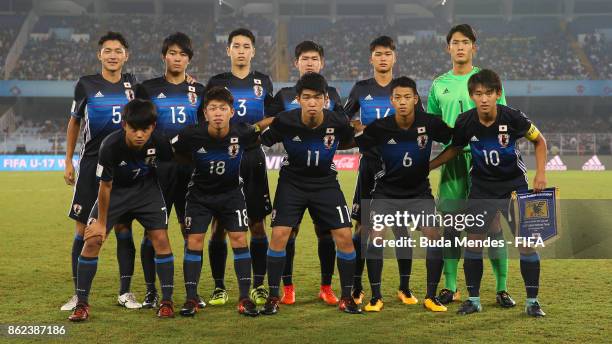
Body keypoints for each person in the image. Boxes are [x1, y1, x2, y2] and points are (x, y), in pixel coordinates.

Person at [430, 69, 547, 317]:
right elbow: (455, 149)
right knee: (474, 242)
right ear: (472, 96)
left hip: (514, 187)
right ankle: (473, 300)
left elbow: (540, 141)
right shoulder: (465, 121)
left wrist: (540, 175)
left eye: (489, 93)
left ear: (498, 94)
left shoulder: (513, 117)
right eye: (478, 94)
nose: (484, 98)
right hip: (482, 187)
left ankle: (532, 302)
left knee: (526, 244)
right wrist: (428, 166)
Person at [259, 73, 361, 315]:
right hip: (292, 183)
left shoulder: (338, 121)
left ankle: (346, 297)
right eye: (307, 98)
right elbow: (262, 140)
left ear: (326, 99)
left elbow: (347, 141)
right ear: (299, 99)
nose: (312, 102)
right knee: (280, 234)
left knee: (345, 236)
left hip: (326, 182)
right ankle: (273, 296)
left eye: (317, 97)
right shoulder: (285, 120)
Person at [427, 24, 514, 306]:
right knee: (451, 227)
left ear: (474, 46)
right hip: (453, 162)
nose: (460, 46)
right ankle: (451, 288)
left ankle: (501, 289)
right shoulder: (439, 85)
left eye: (466, 42)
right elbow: (431, 126)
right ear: (448, 47)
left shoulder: (487, 82)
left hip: (484, 163)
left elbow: (504, 124)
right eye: (455, 42)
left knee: (492, 227)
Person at [68, 99, 176, 321]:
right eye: (134, 129)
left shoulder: (161, 142)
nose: (139, 135)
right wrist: (101, 223)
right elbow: (105, 186)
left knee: (161, 239)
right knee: (93, 240)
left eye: (145, 129)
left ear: (153, 127)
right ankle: (82, 304)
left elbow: (167, 172)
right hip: (115, 193)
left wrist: (160, 205)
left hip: (147, 191)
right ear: (124, 125)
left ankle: (166, 301)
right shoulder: (110, 146)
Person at [171, 86, 272, 317]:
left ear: (232, 112)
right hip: (199, 196)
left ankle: (244, 298)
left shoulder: (244, 132)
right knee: (194, 241)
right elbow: (172, 149)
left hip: (232, 195)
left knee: (239, 238)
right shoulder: (191, 134)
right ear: (205, 113)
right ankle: (191, 298)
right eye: (213, 108)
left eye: (223, 108)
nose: (218, 113)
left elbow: (259, 130)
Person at [354, 77, 452, 312]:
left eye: (407, 97)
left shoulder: (429, 123)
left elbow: (455, 142)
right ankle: (376, 296)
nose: (402, 102)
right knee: (375, 237)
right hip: (386, 194)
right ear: (391, 100)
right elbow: (359, 144)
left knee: (434, 236)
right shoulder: (380, 126)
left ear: (416, 99)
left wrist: (432, 164)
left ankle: (431, 296)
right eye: (397, 97)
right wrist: (352, 128)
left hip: (419, 193)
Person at [62, 31, 140, 311]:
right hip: (90, 165)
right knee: (83, 230)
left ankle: (125, 292)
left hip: (123, 166)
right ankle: (78, 294)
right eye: (108, 50)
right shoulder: (85, 85)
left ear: (125, 56)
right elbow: (74, 122)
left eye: (118, 51)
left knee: (123, 228)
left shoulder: (133, 85)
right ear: (99, 55)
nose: (113, 55)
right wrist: (68, 160)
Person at [267, 40, 345, 305]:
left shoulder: (333, 94)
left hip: (323, 174)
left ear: (321, 63)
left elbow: (343, 129)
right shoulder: (284, 96)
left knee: (326, 232)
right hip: (294, 174)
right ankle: (286, 286)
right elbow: (271, 125)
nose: (309, 62)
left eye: (314, 58)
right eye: (304, 58)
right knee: (288, 232)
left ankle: (327, 286)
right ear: (296, 63)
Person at [134, 32, 205, 309]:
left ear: (189, 59)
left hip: (190, 169)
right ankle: (152, 291)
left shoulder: (198, 90)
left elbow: (203, 128)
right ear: (164, 56)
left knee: (191, 231)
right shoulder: (147, 89)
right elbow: (138, 125)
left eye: (183, 54)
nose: (177, 58)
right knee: (152, 231)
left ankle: (191, 292)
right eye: (172, 53)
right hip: (157, 169)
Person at [205, 28, 274, 305]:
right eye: (237, 46)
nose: (242, 50)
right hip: (223, 158)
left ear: (253, 51)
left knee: (257, 224)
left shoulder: (263, 81)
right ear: (228, 50)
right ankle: (219, 286)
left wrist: (255, 129)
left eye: (247, 46)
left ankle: (258, 285)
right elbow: (205, 116)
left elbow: (273, 116)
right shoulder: (217, 82)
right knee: (219, 224)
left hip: (253, 156)